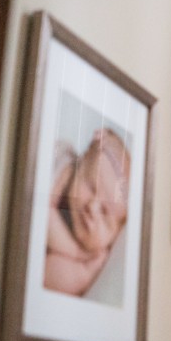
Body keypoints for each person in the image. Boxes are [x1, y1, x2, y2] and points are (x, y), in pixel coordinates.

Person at [44, 127, 131, 297]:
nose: (92, 207)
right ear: (80, 164)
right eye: (91, 187)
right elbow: (40, 218)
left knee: (75, 277)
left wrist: (85, 270)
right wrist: (76, 252)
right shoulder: (62, 169)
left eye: (105, 212)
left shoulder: (93, 258)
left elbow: (44, 277)